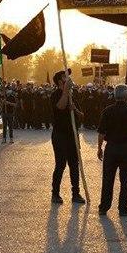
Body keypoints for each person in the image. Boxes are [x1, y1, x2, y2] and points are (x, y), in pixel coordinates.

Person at [97, 84, 127, 216]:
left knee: (107, 179)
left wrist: (99, 148)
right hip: (126, 149)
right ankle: (123, 208)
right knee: (125, 181)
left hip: (111, 148)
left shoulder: (107, 111)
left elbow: (101, 132)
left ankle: (104, 207)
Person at [50, 70, 85, 204]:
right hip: (60, 135)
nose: (68, 78)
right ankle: (55, 194)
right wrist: (65, 91)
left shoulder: (72, 95)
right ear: (60, 81)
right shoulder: (56, 94)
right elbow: (60, 106)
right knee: (60, 165)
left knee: (74, 165)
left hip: (72, 135)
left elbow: (82, 116)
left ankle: (76, 193)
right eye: (65, 77)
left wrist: (74, 109)